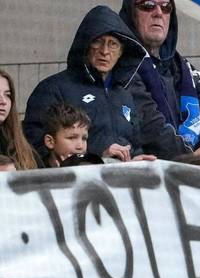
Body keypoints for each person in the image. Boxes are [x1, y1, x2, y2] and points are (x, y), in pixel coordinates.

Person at [23, 5, 190, 162]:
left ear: (122, 52)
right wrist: (99, 159)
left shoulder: (126, 94)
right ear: (85, 45)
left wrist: (135, 161)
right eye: (98, 42)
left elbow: (136, 144)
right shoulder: (52, 89)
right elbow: (34, 147)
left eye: (113, 44)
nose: (104, 51)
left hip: (124, 185)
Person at [118, 0, 200, 158]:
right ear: (130, 13)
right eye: (148, 5)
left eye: (166, 6)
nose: (158, 13)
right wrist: (197, 159)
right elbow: (151, 128)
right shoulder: (122, 67)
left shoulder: (185, 69)